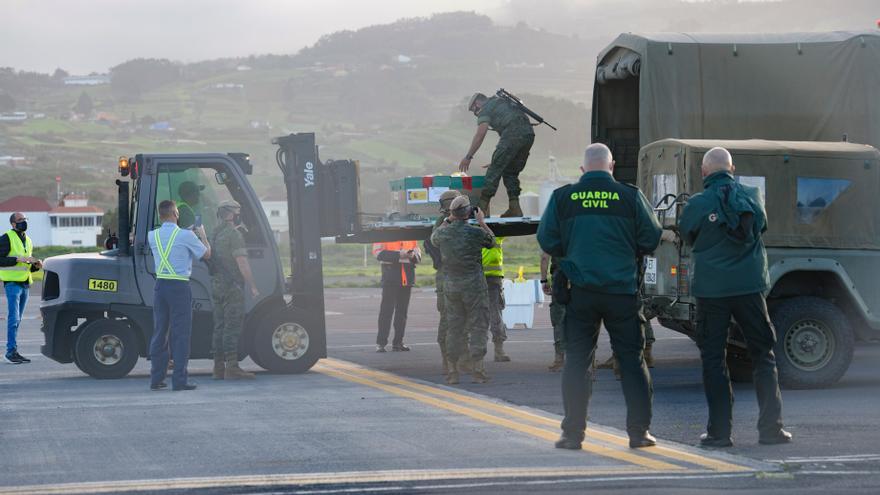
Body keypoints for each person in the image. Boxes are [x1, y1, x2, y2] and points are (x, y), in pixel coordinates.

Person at [537, 143, 663, 450]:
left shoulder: (563, 197)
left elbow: (546, 239)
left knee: (577, 362)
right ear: (612, 166)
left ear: (583, 169)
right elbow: (652, 237)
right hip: (621, 291)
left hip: (580, 292)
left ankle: (572, 435)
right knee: (632, 362)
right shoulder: (630, 196)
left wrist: (571, 255)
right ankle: (639, 433)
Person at [677, 146, 791, 448]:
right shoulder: (752, 197)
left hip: (711, 291)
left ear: (704, 172)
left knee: (714, 359)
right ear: (733, 168)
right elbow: (761, 226)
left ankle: (719, 433)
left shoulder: (698, 203)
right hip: (750, 289)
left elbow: (687, 234)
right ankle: (771, 430)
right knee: (763, 356)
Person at [431, 195, 495, 384]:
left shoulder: (443, 233)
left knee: (454, 328)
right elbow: (491, 241)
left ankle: (452, 371)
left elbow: (434, 238)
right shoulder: (475, 232)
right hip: (474, 286)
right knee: (478, 326)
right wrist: (482, 222)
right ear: (469, 212)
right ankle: (478, 370)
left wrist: (449, 218)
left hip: (451, 286)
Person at [148, 200, 211, 391]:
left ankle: (156, 379)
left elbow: (173, 237)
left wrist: (188, 232)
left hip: (160, 286)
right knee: (180, 334)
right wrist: (203, 236)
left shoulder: (153, 235)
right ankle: (179, 381)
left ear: (160, 215)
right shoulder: (186, 235)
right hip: (179, 287)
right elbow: (207, 254)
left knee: (160, 333)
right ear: (176, 213)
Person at [458, 92, 535, 217]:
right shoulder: (502, 102)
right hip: (528, 135)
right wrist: (500, 159)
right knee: (510, 172)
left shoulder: (486, 109)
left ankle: (480, 210)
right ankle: (515, 208)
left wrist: (468, 157)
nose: (475, 113)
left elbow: (480, 134)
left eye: (474, 110)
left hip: (512, 134)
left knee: (494, 171)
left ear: (477, 103)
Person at [210, 200, 259, 380]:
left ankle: (218, 367)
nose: (239, 214)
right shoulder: (234, 234)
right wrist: (252, 285)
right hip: (232, 287)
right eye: (237, 211)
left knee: (219, 326)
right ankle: (232, 367)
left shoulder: (214, 233)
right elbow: (242, 262)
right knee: (232, 326)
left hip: (217, 286)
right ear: (231, 214)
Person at [423, 189, 462, 375]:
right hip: (447, 277)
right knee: (447, 319)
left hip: (461, 277)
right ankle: (447, 360)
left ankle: (462, 358)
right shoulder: (442, 224)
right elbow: (435, 242)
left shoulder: (462, 222)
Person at [0, 212, 41, 364]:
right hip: (12, 284)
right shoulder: (6, 238)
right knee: (13, 319)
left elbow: (26, 267)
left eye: (25, 219)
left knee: (17, 321)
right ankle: (10, 352)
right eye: (20, 220)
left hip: (25, 284)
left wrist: (36, 266)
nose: (24, 222)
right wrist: (16, 259)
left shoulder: (28, 240)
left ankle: (14, 350)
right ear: (13, 224)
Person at [373, 239, 420, 352]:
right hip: (391, 278)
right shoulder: (382, 235)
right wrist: (400, 255)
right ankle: (381, 343)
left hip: (407, 278)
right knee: (386, 311)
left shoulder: (412, 237)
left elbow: (418, 257)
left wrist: (412, 255)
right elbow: (378, 254)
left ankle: (398, 342)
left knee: (402, 312)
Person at [482, 237, 510, 362]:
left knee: (495, 315)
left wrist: (483, 223)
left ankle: (498, 350)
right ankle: (479, 351)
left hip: (492, 280)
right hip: (479, 279)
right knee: (488, 315)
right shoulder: (473, 232)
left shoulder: (495, 233)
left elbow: (514, 216)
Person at [540, 252, 565, 372]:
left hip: (560, 278)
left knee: (558, 317)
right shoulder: (580, 232)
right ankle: (586, 361)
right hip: (580, 277)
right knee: (581, 317)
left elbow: (545, 257)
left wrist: (543, 280)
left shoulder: (553, 233)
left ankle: (559, 359)